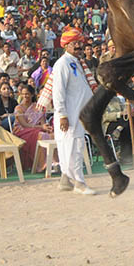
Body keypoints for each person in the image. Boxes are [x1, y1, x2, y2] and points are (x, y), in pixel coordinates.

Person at [51, 27, 96, 195]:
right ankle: (79, 182)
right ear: (66, 45)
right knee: (73, 147)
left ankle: (65, 180)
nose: (78, 46)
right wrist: (62, 114)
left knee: (74, 146)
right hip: (68, 114)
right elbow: (58, 92)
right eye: (75, 43)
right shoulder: (62, 64)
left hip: (80, 113)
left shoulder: (77, 62)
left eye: (79, 43)